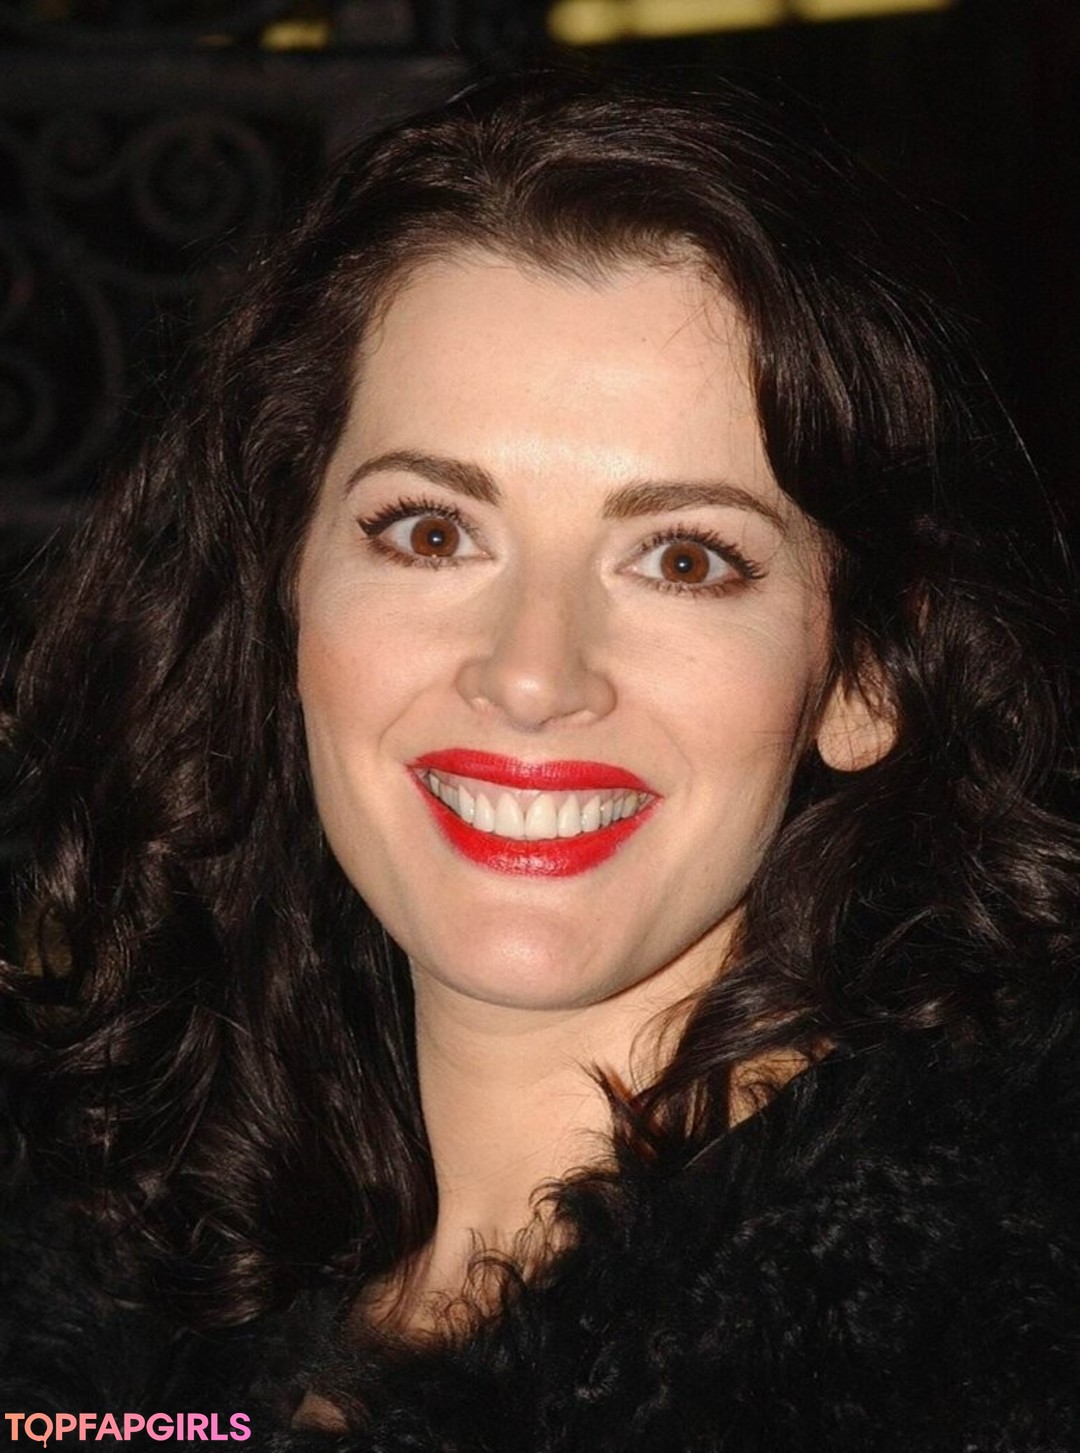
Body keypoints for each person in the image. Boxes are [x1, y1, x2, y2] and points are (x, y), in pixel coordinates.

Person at [1, 69, 1078, 1450]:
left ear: (869, 676)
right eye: (432, 533)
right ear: (283, 591)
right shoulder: (124, 1291)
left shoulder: (988, 1363)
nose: (530, 672)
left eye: (684, 559)